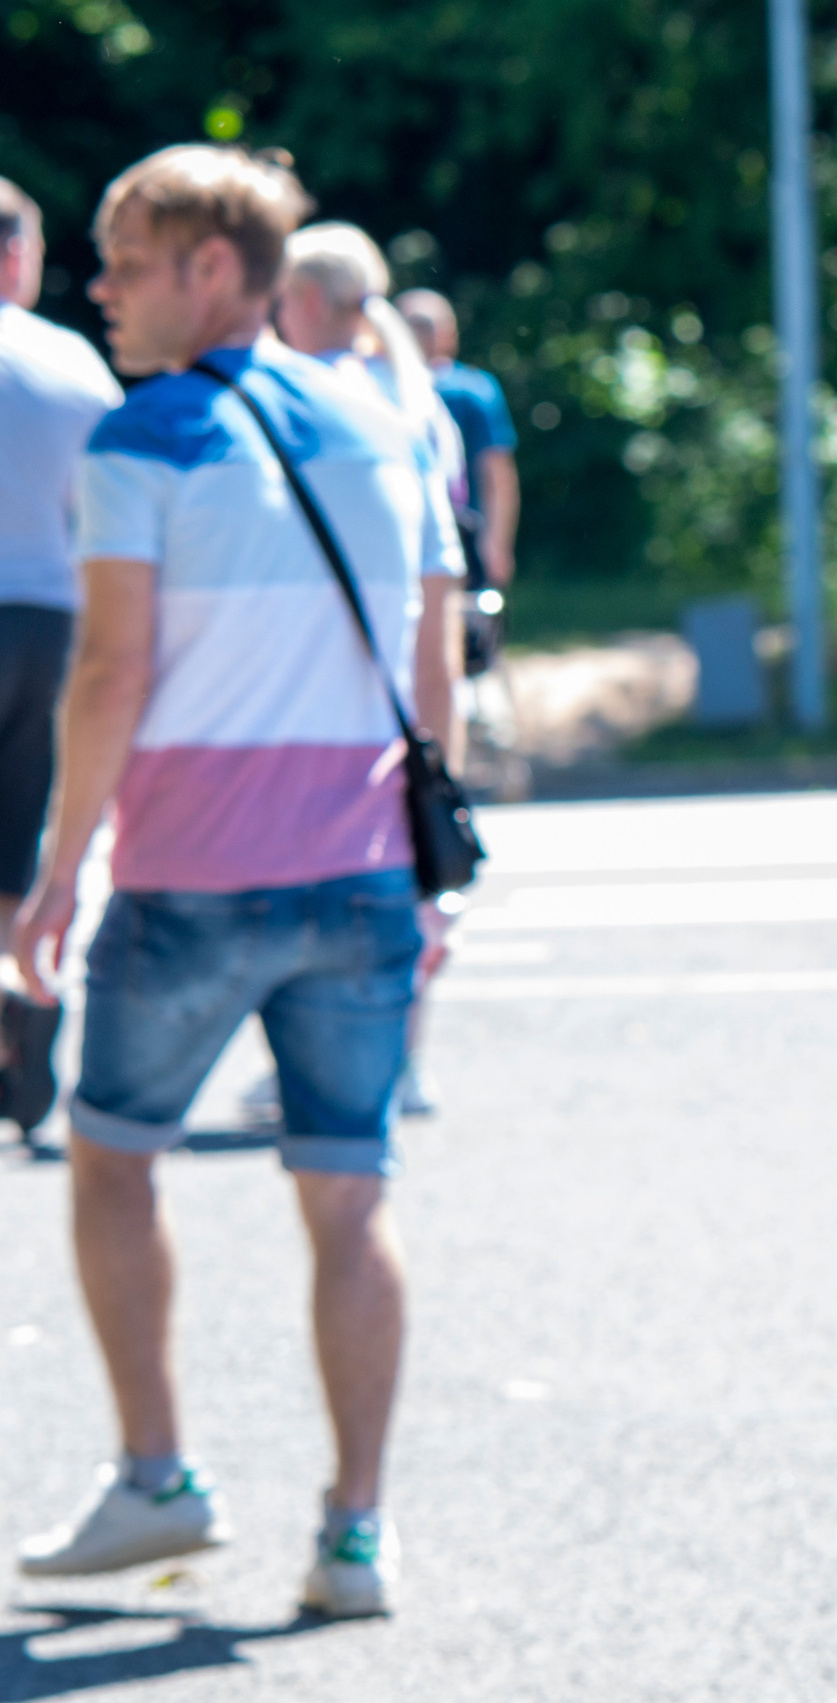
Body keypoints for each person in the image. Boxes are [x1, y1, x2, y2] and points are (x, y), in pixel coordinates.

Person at [11, 144, 464, 1620]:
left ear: (216, 265)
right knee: (351, 1193)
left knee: (114, 1155)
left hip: (191, 876)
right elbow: (434, 654)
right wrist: (432, 865)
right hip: (362, 877)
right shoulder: (391, 428)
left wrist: (55, 864)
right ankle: (355, 1532)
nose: (103, 286)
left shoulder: (146, 439)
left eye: (127, 259)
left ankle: (158, 1473)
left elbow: (110, 670)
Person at [272, 222, 464, 1120]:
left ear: (305, 300)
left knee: (315, 885)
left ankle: (322, 1066)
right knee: (409, 874)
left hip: (327, 679)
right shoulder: (415, 397)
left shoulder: (314, 402)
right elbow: (444, 582)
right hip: (411, 666)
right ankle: (402, 1059)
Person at [0, 178, 122, 1141]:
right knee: (22, 834)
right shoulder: (74, 360)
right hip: (52, 620)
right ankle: (26, 986)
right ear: (20, 256)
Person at [393, 287, 518, 597]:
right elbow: (497, 473)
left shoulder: (377, 385)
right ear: (449, 334)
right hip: (461, 531)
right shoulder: (474, 389)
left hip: (400, 530)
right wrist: (497, 542)